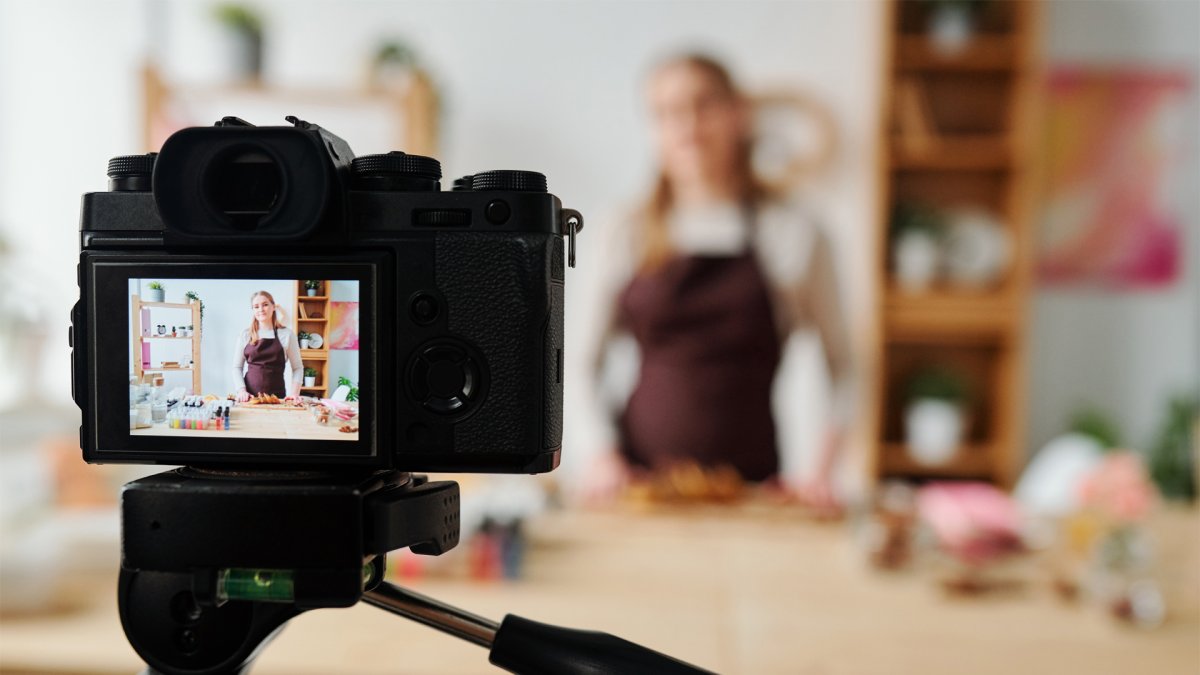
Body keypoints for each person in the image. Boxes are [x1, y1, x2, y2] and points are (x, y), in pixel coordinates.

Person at [573, 53, 854, 512]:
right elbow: (581, 362)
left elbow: (846, 368)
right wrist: (601, 456)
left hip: (754, 492)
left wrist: (822, 471)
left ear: (737, 114)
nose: (687, 125)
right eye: (666, 112)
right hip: (638, 488)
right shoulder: (625, 230)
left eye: (703, 104)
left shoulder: (796, 230)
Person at [232, 290, 303, 401]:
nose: (260, 309)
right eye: (256, 307)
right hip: (249, 398)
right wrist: (241, 390)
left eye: (265, 305)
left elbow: (298, 367)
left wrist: (294, 393)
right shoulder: (245, 335)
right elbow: (237, 367)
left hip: (277, 398)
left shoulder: (287, 334)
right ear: (253, 310)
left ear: (273, 307)